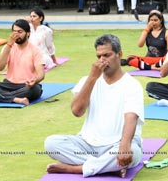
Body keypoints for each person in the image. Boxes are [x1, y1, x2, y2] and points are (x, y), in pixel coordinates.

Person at [44, 34, 144, 178]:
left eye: (107, 55)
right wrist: (92, 77)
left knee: (132, 153)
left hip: (117, 145)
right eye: (99, 56)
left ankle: (77, 168)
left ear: (119, 54)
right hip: (87, 144)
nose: (102, 60)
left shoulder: (132, 84)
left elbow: (131, 118)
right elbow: (77, 111)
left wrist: (125, 144)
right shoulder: (88, 79)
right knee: (51, 144)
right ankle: (107, 168)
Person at [0, 19, 45, 106]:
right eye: (14, 32)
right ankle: (16, 99)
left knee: (35, 90)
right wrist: (8, 45)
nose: (16, 35)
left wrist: (35, 80)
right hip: (8, 85)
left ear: (28, 33)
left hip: (26, 86)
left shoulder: (35, 50)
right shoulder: (8, 48)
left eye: (20, 32)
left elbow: (41, 74)